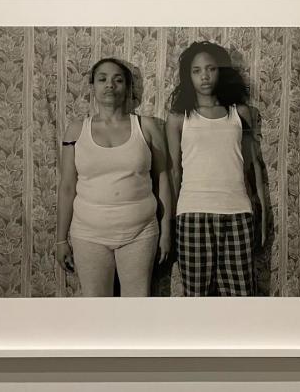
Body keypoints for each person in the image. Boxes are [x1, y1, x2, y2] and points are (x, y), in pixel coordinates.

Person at [56, 58, 171, 297]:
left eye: (118, 80)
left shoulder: (147, 127)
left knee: (137, 307)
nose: (110, 85)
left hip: (140, 233)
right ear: (93, 87)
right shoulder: (76, 130)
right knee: (96, 309)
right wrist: (60, 240)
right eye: (102, 79)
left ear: (128, 88)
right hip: (88, 234)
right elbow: (67, 187)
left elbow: (163, 180)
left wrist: (167, 230)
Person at [165, 41, 266, 297]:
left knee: (240, 296)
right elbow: (174, 172)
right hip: (192, 215)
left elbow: (252, 166)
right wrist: (168, 223)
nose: (205, 76)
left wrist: (262, 214)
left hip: (237, 213)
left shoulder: (240, 113)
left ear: (221, 71)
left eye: (210, 69)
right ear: (188, 76)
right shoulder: (178, 119)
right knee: (196, 298)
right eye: (197, 71)